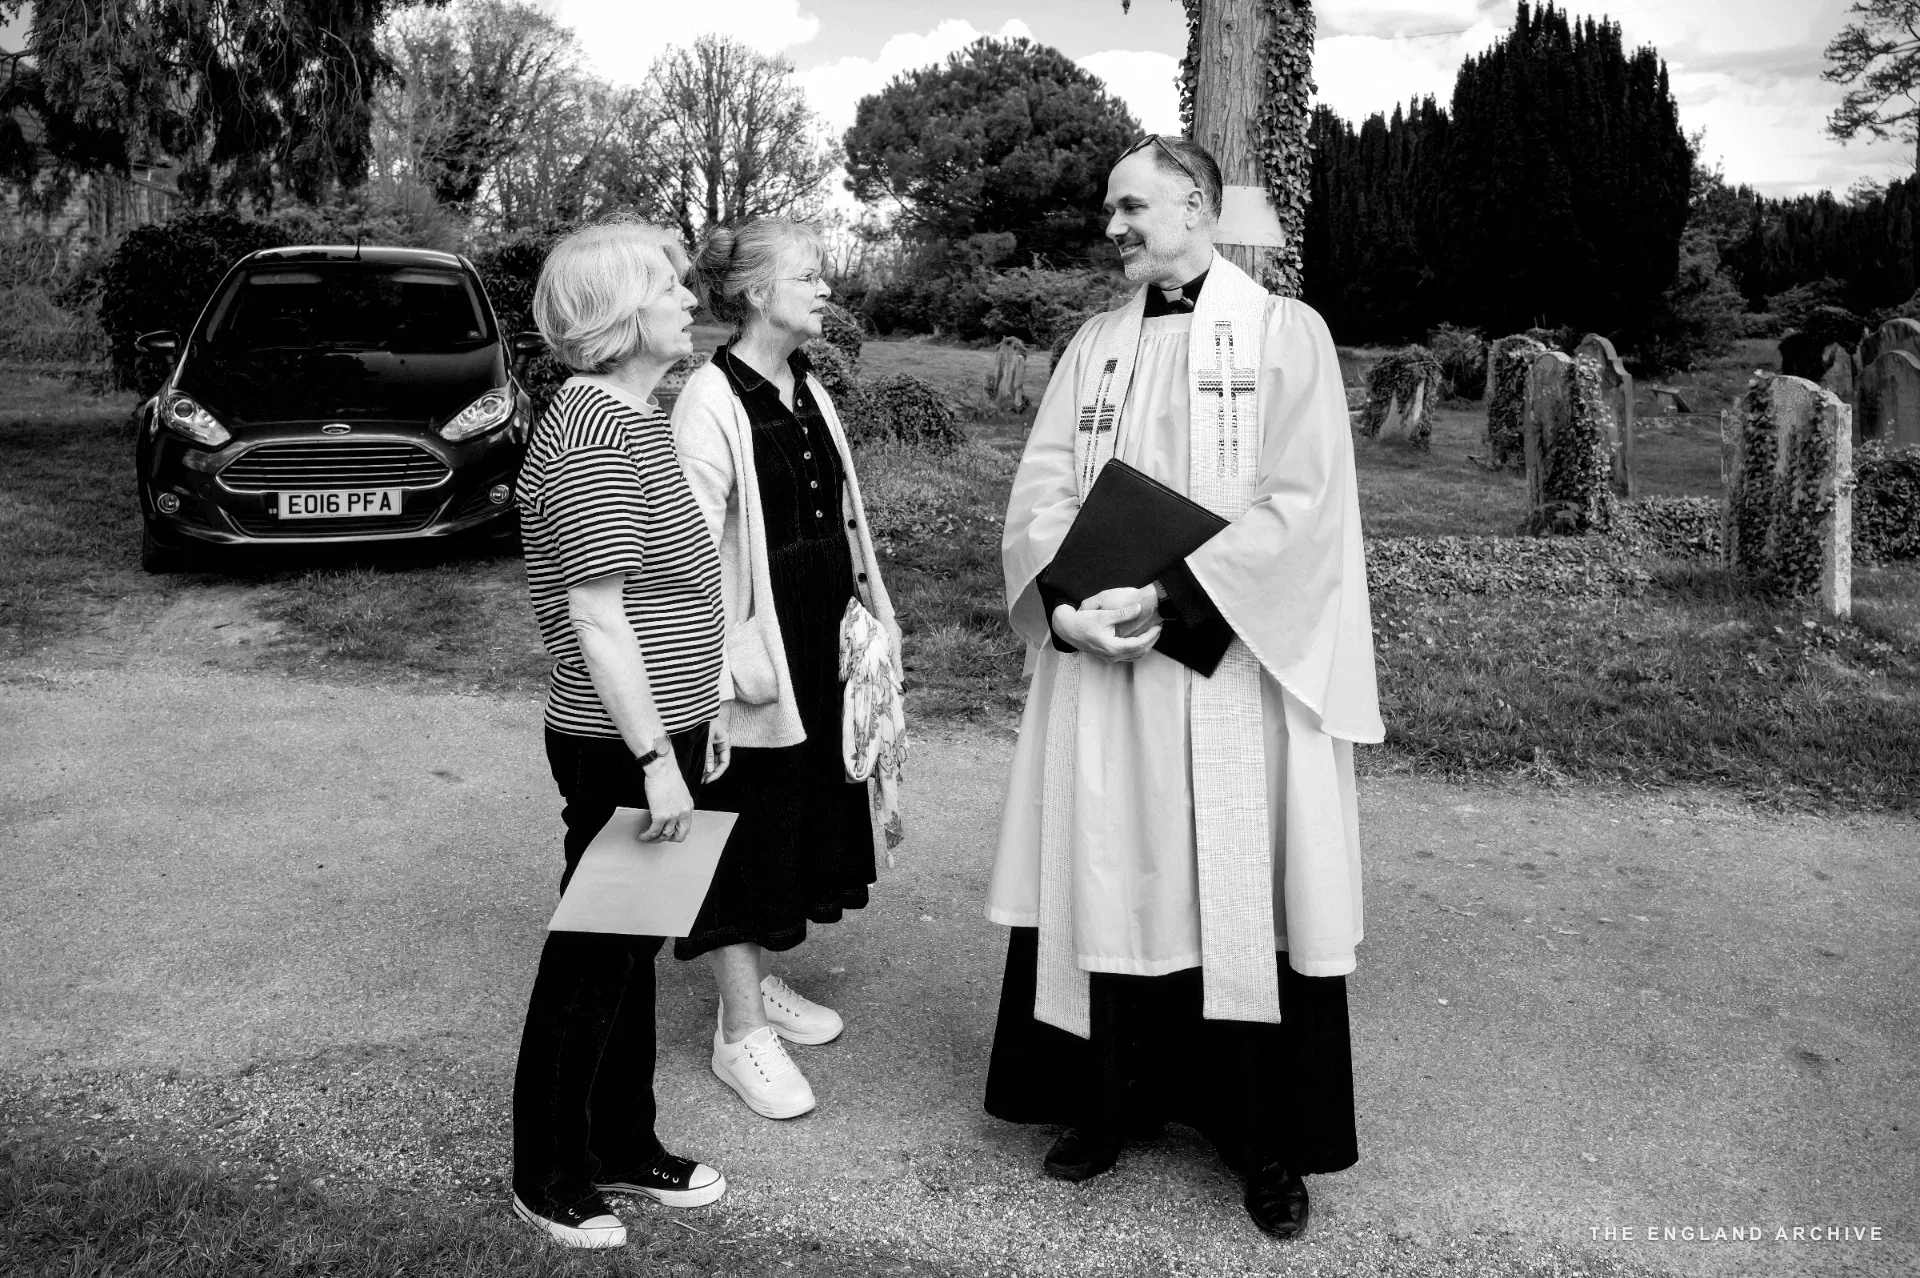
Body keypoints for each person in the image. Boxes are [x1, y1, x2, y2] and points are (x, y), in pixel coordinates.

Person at [981, 135, 1383, 1240]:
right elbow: (1042, 489)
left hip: (1227, 669)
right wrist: (1063, 606)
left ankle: (1264, 1136)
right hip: (1105, 674)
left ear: (1197, 205)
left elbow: (1306, 505)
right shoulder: (1094, 345)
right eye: (1110, 209)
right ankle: (1103, 1103)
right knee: (1113, 864)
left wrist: (1176, 604)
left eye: (1130, 206)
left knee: (1235, 883)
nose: (1111, 226)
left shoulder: (1283, 334)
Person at [508, 219, 731, 1248]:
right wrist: (654, 759)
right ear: (618, 315)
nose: (690, 301)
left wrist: (703, 715)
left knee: (631, 952)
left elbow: (672, 592)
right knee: (594, 959)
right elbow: (599, 616)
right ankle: (549, 1171)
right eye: (672, 287)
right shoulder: (597, 431)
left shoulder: (635, 415)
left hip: (664, 730)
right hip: (619, 741)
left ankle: (624, 1144)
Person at [671, 217, 901, 1121]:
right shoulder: (709, 398)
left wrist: (873, 616)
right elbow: (692, 559)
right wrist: (730, 666)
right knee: (739, 827)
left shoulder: (807, 385)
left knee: (793, 820)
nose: (825, 291)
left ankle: (758, 984)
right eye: (809, 277)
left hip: (818, 640)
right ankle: (737, 1034)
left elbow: (841, 517)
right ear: (760, 293)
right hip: (751, 655)